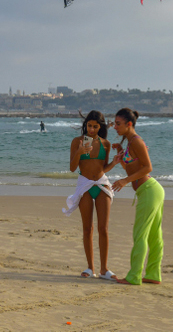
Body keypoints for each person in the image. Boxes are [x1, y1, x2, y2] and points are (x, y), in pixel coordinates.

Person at [111, 108, 164, 285]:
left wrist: (124, 181)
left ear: (129, 124)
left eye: (118, 124)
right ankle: (153, 275)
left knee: (140, 235)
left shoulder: (136, 141)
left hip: (149, 190)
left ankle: (134, 276)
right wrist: (120, 154)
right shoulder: (129, 142)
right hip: (150, 191)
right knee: (154, 236)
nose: (114, 127)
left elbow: (148, 168)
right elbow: (134, 168)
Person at [64, 110, 116, 280]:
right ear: (85, 125)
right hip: (85, 185)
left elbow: (103, 168)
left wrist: (114, 163)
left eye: (95, 126)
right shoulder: (77, 142)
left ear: (100, 127)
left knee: (104, 229)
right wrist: (79, 152)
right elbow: (72, 168)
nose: (91, 129)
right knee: (88, 228)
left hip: (101, 184)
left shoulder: (106, 144)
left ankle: (104, 270)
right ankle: (90, 268)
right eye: (89, 126)